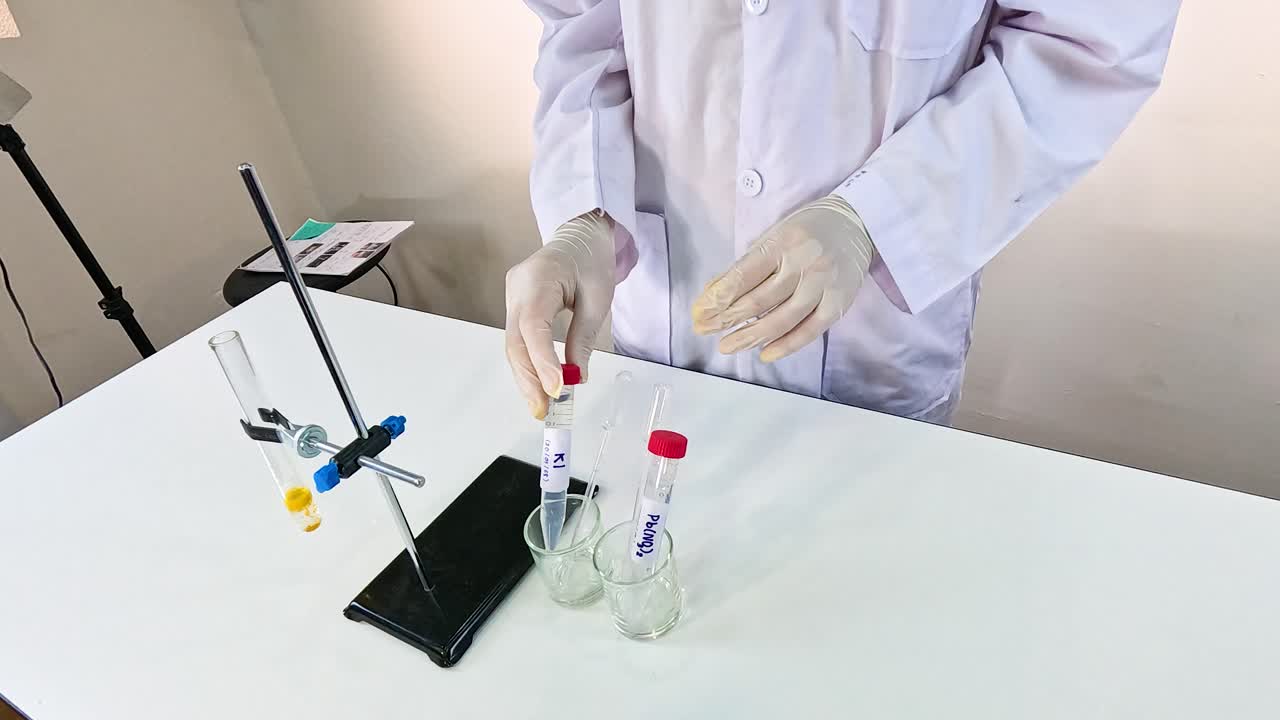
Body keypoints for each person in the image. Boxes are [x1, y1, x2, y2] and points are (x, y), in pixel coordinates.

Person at [506, 1, 1180, 421]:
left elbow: (1088, 48)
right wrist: (585, 213)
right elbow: (583, 25)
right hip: (666, 328)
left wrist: (878, 219)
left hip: (870, 357)